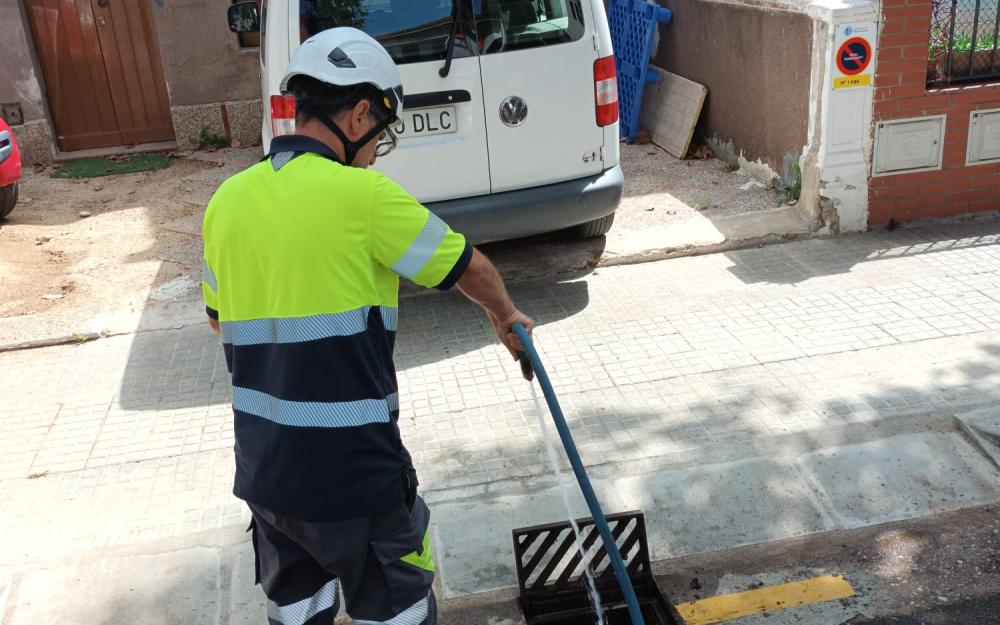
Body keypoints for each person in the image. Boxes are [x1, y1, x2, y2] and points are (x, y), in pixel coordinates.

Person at [200, 27, 534, 625]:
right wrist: (506, 317)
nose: (379, 149)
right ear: (358, 114)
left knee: (299, 616)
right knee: (398, 614)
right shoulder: (366, 197)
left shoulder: (226, 202)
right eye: (380, 135)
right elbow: (468, 266)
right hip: (356, 480)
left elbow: (216, 318)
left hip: (267, 477)